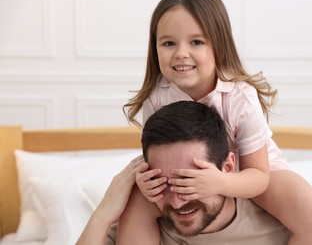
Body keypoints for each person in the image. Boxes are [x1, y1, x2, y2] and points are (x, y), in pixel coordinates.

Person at [121, 0, 312, 244]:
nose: (181, 53)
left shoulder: (240, 97)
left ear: (218, 45)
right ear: (155, 48)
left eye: (196, 42)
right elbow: (156, 155)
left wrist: (220, 182)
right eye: (168, 43)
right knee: (133, 203)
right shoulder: (158, 96)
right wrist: (147, 181)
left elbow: (259, 175)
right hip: (187, 171)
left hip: (252, 169)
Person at [77, 101, 291, 245]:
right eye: (164, 183)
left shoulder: (279, 226)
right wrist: (103, 214)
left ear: (227, 168)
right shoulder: (139, 223)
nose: (178, 203)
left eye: (188, 182)